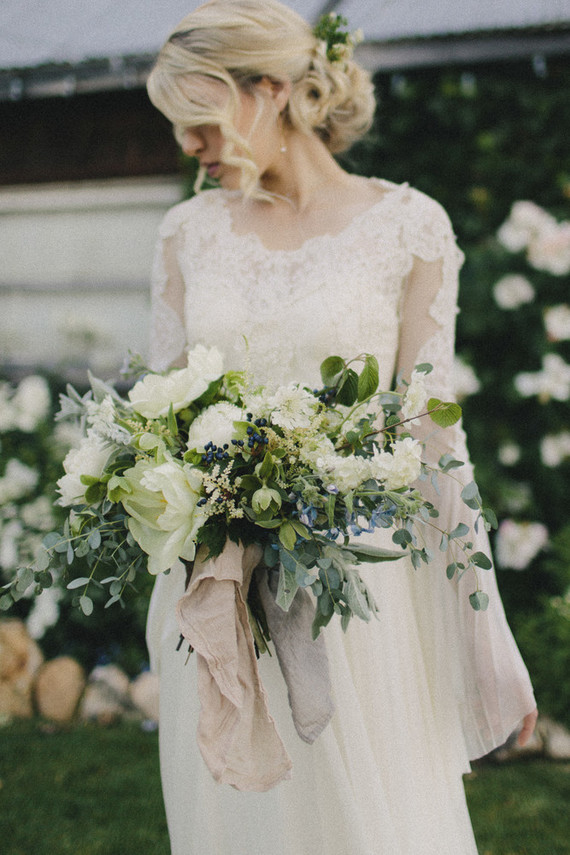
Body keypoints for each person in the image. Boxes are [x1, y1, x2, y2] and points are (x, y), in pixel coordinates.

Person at [144, 2, 537, 853]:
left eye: (199, 122)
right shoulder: (186, 234)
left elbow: (434, 435)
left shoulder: (409, 226)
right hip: (217, 590)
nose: (188, 147)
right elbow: (159, 414)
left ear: (272, 91)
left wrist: (484, 633)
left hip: (361, 600)